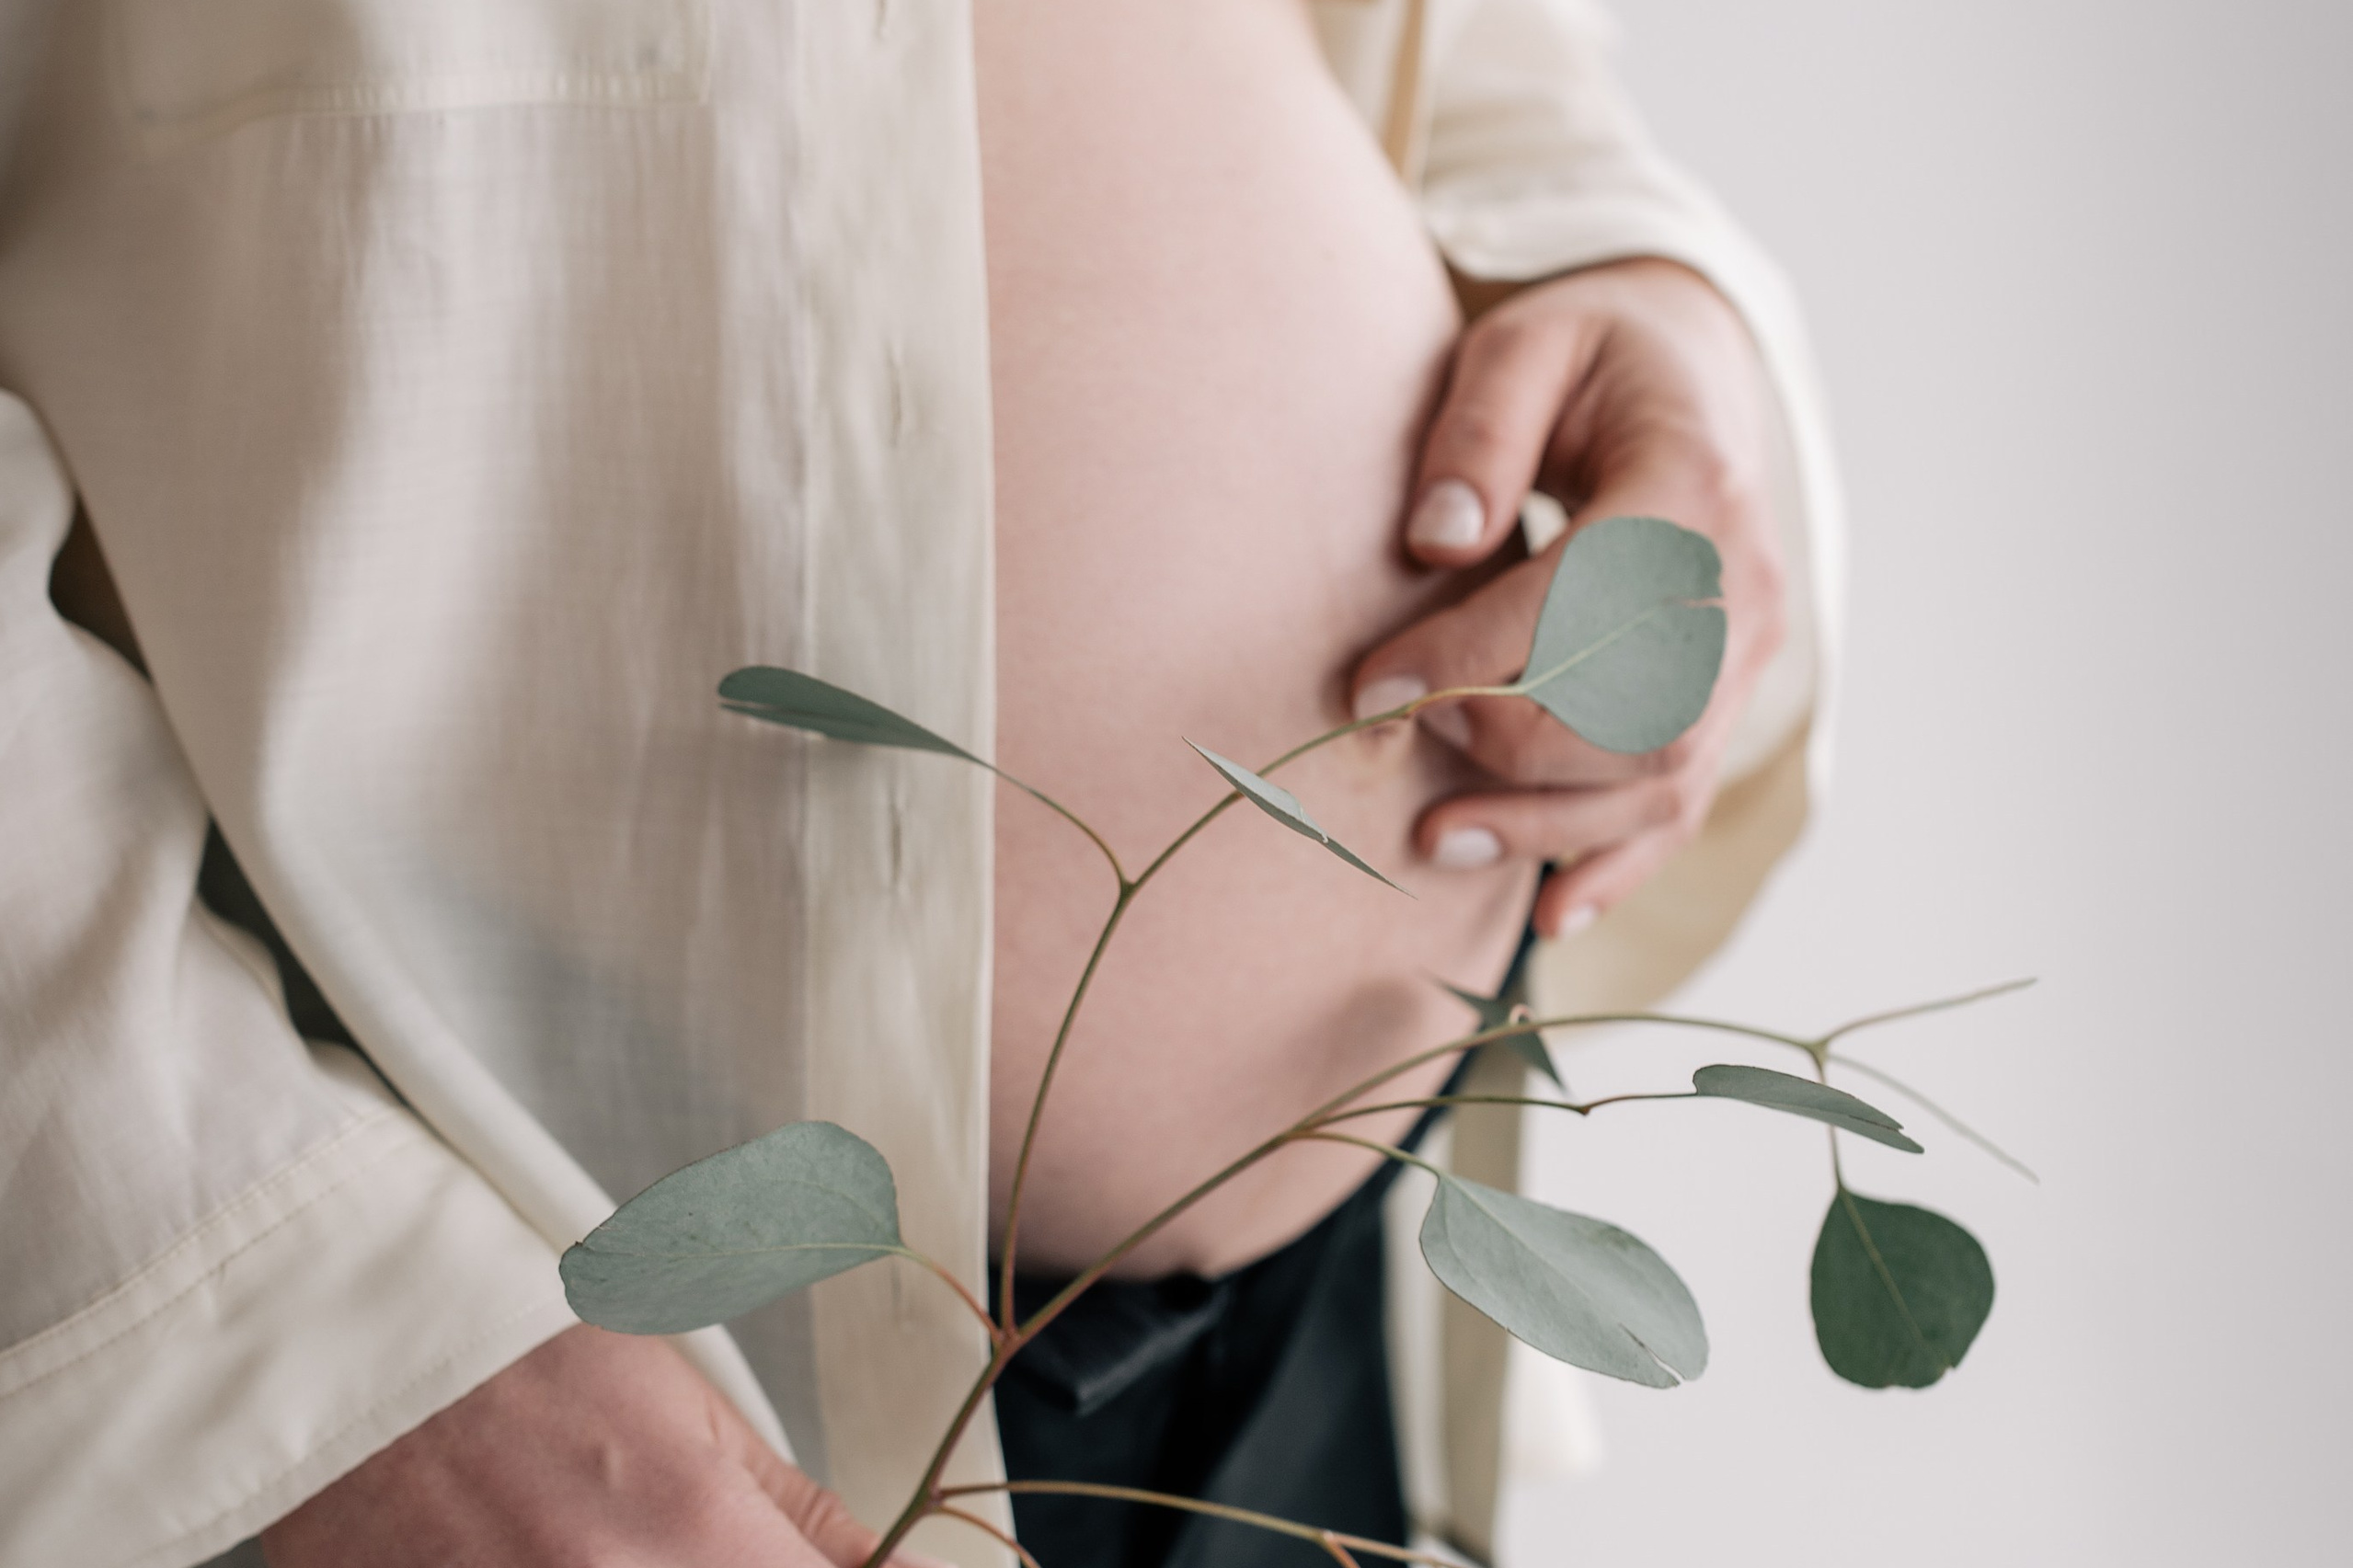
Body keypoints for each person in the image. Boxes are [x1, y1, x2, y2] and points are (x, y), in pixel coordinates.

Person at [0, 2, 1839, 1565]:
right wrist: (280, 1327)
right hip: (526, 1361)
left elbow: (1461, 64)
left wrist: (1642, 309)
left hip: (1313, 1321)